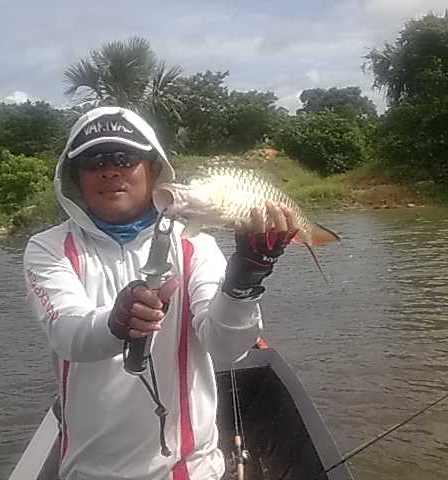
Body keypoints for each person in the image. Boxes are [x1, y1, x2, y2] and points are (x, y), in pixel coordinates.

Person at [24, 106, 298, 480]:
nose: (109, 169)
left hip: (191, 472)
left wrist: (246, 277)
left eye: (125, 157)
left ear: (152, 168)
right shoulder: (49, 248)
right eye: (93, 161)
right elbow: (69, 335)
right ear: (74, 176)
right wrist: (118, 321)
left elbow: (226, 346)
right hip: (88, 472)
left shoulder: (195, 245)